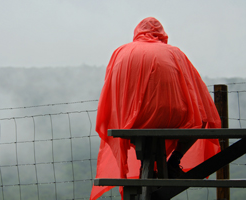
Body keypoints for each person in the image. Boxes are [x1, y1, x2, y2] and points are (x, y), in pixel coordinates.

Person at [90, 17, 221, 200]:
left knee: (141, 135)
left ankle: (149, 169)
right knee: (199, 120)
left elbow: (110, 93)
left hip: (132, 121)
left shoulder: (121, 52)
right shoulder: (175, 53)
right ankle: (174, 160)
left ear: (137, 33)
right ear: (162, 35)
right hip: (173, 118)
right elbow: (197, 93)